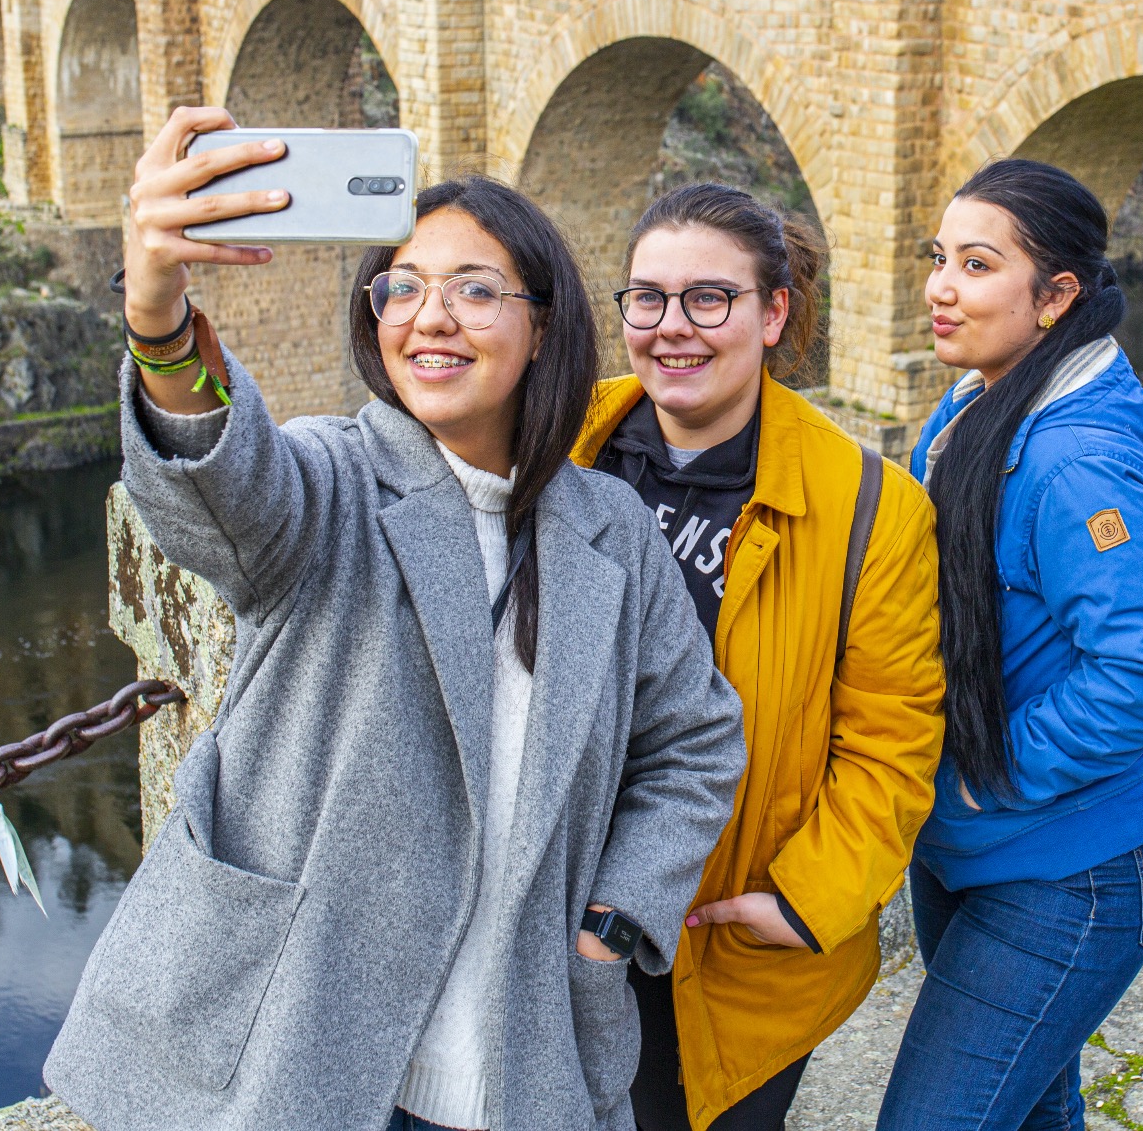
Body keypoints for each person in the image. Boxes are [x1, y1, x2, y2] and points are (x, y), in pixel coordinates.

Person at [44, 109, 746, 1131]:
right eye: (402, 288)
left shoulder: (612, 533)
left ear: (543, 323)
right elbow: (223, 481)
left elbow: (695, 740)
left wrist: (611, 918)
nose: (431, 316)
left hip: (515, 1052)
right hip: (301, 1042)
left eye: (474, 289)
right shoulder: (333, 483)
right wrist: (159, 319)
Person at [570, 183, 945, 1131]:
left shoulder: (871, 507)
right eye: (647, 298)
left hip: (726, 935)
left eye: (711, 298)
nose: (672, 327)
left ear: (774, 313)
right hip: (556, 906)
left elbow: (891, 745)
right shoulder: (566, 439)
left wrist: (806, 900)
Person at [878, 159, 1143, 1131]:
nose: (940, 286)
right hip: (965, 849)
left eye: (977, 265)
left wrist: (989, 777)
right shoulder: (980, 404)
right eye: (940, 258)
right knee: (1028, 1111)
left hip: (1067, 872)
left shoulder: (1076, 460)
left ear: (1056, 295)